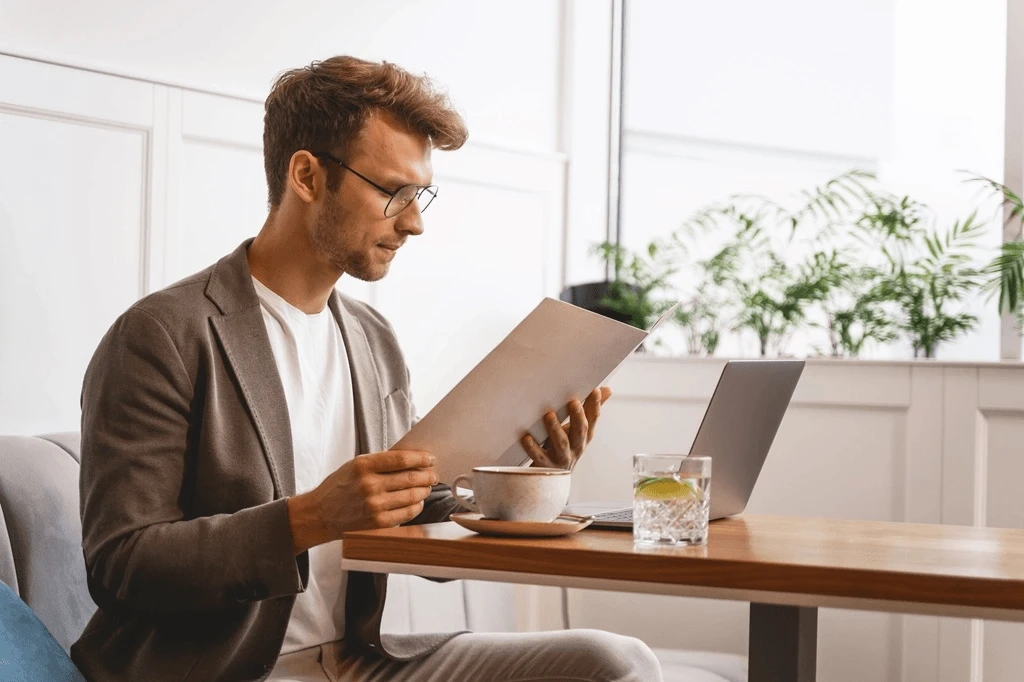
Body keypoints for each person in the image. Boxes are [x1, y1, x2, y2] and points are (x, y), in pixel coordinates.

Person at [71, 56, 663, 682]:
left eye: (420, 194)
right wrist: (313, 517)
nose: (414, 222)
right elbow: (121, 564)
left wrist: (521, 480)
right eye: (393, 192)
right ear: (306, 174)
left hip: (360, 660)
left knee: (614, 662)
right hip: (227, 669)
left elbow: (423, 529)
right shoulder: (163, 334)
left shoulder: (372, 339)